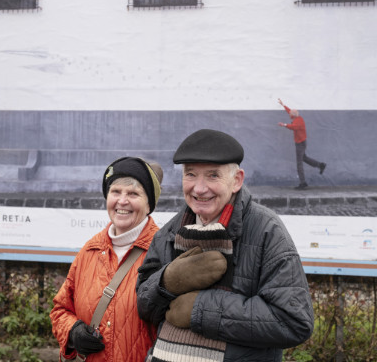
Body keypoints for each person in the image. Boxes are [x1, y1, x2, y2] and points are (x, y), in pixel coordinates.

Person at [136, 129, 314, 362]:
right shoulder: (170, 231)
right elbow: (144, 305)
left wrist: (201, 310)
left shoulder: (267, 230)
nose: (199, 188)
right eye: (190, 174)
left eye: (212, 176)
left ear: (237, 180)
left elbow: (293, 321)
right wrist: (165, 282)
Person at [50, 156, 163, 361]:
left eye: (133, 193)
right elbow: (61, 309)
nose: (122, 201)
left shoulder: (164, 252)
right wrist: (72, 332)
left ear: (149, 204)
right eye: (115, 191)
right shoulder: (89, 251)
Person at [277, 98, 326, 190]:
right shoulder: (297, 117)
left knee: (299, 163)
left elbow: (294, 127)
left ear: (293, 115)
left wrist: (284, 125)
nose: (289, 115)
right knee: (305, 158)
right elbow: (289, 111)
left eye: (290, 114)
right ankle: (320, 165)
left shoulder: (298, 121)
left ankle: (303, 182)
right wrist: (283, 105)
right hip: (301, 143)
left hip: (300, 144)